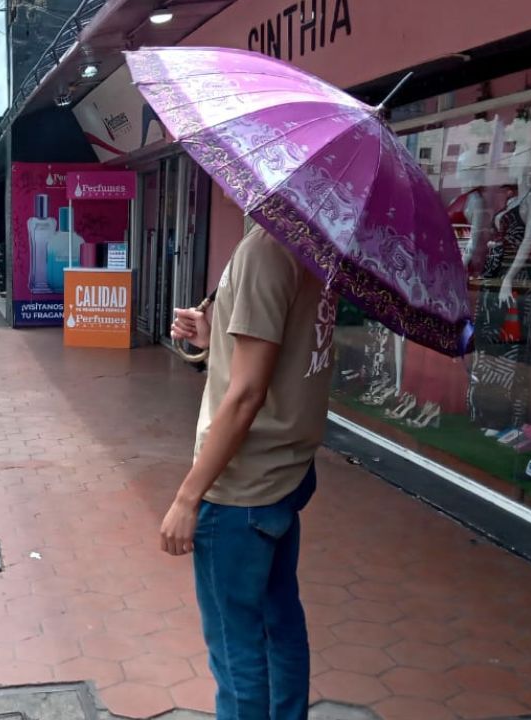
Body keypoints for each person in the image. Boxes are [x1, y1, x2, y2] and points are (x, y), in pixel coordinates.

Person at [162, 225, 337, 720]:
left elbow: (245, 396)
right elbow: (281, 358)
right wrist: (212, 334)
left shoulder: (265, 248)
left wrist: (187, 498)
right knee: (279, 620)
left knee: (235, 647)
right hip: (286, 472)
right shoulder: (314, 244)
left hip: (242, 487)